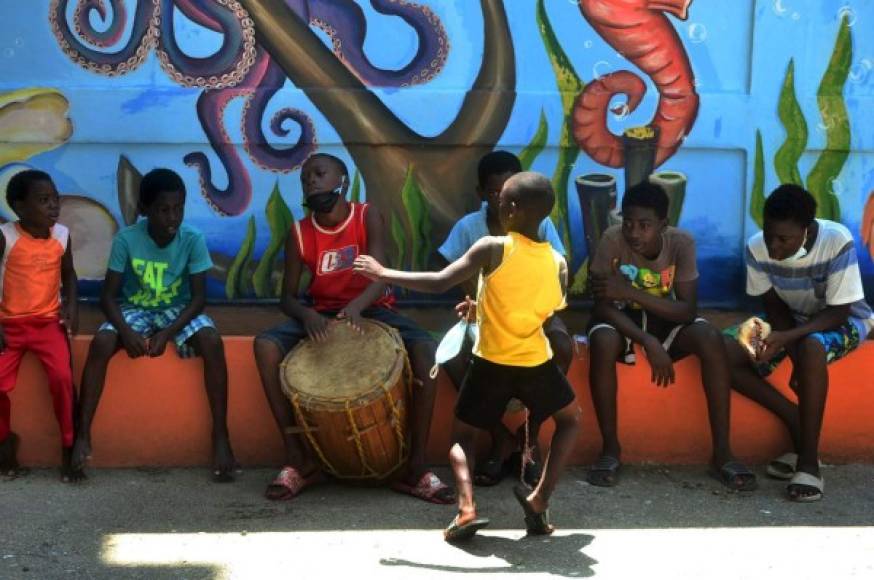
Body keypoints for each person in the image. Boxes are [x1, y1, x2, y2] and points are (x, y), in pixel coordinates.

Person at [355, 171, 581, 541]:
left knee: (462, 437)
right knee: (570, 421)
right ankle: (539, 500)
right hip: (535, 361)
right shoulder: (558, 262)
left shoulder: (492, 247)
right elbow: (541, 310)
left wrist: (383, 272)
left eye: (501, 199)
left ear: (509, 208)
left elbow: (441, 280)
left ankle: (466, 511)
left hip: (490, 360)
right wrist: (482, 310)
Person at [253, 153, 453, 504]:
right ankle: (297, 459)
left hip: (372, 308)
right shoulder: (299, 233)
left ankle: (416, 466)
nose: (311, 181)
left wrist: (356, 308)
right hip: (321, 314)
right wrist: (307, 316)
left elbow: (380, 272)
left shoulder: (366, 215)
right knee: (265, 346)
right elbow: (286, 298)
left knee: (424, 350)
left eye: (319, 173)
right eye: (304, 178)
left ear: (341, 179)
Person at [586, 180, 756, 491]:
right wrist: (646, 340)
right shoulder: (611, 240)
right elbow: (603, 307)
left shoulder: (681, 243)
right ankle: (610, 449)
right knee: (601, 340)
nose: (634, 232)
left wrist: (626, 290)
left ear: (663, 225)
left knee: (709, 337)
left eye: (645, 225)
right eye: (628, 222)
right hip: (621, 319)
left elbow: (687, 311)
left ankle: (722, 453)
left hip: (665, 318)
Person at [71, 168, 237, 482]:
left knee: (212, 341)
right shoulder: (127, 239)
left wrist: (168, 333)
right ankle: (82, 436)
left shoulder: (192, 239)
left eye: (178, 208)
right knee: (102, 343)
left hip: (176, 311)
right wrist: (126, 332)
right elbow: (108, 298)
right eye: (163, 209)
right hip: (135, 308)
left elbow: (199, 299)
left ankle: (221, 436)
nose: (172, 217)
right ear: (145, 210)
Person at [724, 184, 874, 502]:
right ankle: (793, 418)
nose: (774, 247)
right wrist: (788, 349)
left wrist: (791, 343)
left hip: (845, 321)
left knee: (813, 347)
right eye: (769, 235)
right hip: (789, 322)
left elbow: (839, 312)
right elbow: (775, 308)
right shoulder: (756, 248)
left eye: (784, 239)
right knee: (723, 350)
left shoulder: (836, 241)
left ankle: (808, 463)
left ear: (806, 231)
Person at [437, 150, 573, 487]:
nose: (503, 200)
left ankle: (530, 437)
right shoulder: (471, 229)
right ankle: (501, 438)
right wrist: (474, 307)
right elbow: (451, 278)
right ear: (482, 194)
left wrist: (553, 320)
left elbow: (555, 283)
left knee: (561, 345)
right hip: (483, 320)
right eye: (495, 192)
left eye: (508, 190)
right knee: (452, 357)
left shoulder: (541, 226)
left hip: (529, 322)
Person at [0, 170, 81, 482]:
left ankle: (68, 446)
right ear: (20, 208)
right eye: (43, 200)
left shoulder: (61, 235)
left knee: (62, 378)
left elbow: (70, 274)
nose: (53, 206)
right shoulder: (7, 237)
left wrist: (71, 306)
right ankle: (5, 443)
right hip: (10, 325)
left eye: (55, 199)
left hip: (48, 324)